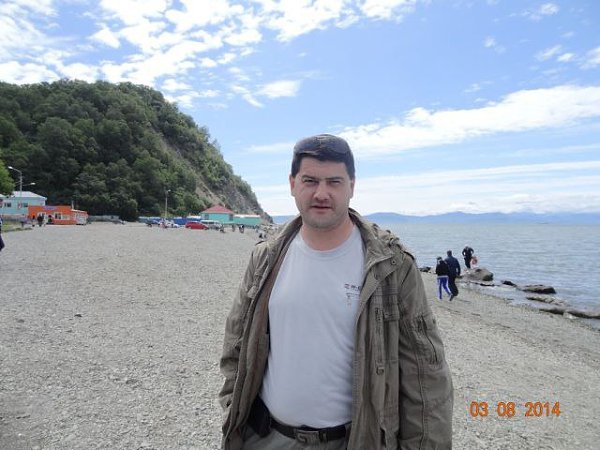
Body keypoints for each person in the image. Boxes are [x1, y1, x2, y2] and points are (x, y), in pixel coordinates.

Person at [219, 134, 453, 450]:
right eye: (310, 181)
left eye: (334, 182)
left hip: (352, 440)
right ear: (292, 184)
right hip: (265, 438)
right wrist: (233, 408)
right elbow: (236, 342)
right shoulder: (266, 258)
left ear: (352, 186)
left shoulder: (391, 266)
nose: (321, 193)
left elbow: (425, 375)